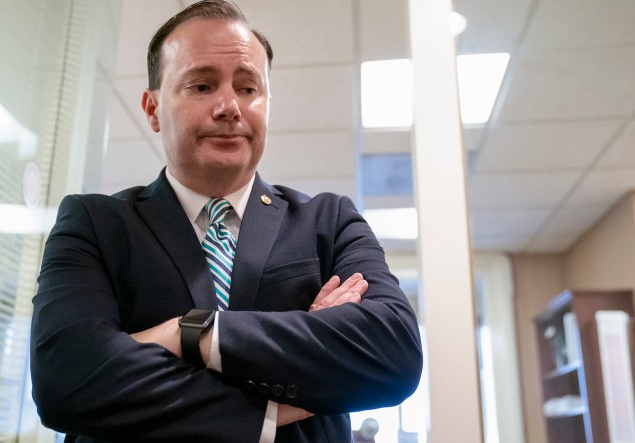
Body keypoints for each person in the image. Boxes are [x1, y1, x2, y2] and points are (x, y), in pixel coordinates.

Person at [29, 1, 423, 442]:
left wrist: (191, 334)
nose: (230, 106)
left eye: (249, 88)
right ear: (153, 108)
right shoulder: (95, 225)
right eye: (201, 86)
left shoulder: (328, 222)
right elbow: (66, 380)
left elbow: (395, 356)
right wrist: (278, 403)